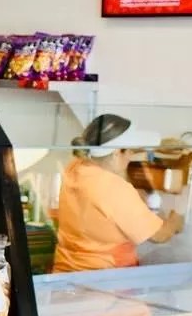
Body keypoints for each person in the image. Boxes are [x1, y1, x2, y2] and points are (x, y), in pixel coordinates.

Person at [52, 113, 184, 272]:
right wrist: (175, 222)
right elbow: (159, 236)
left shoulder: (76, 167)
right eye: (130, 151)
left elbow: (105, 154)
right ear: (116, 153)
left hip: (64, 273)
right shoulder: (114, 188)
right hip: (103, 279)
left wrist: (156, 146)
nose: (131, 156)